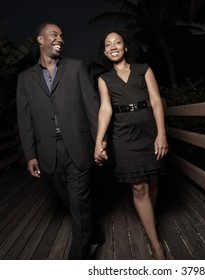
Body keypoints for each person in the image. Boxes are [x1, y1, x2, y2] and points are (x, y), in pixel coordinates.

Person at [16, 22, 105, 259]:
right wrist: (30, 155)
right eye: (54, 35)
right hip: (48, 151)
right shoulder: (25, 79)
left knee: (78, 199)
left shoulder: (76, 68)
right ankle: (95, 231)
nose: (60, 39)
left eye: (62, 36)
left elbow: (92, 107)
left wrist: (99, 142)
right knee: (70, 200)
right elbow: (24, 120)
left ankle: (78, 257)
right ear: (40, 40)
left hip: (78, 145)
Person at [94, 30, 168, 260]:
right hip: (123, 135)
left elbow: (156, 101)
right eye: (108, 44)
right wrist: (99, 141)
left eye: (118, 42)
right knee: (139, 187)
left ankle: (150, 218)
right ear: (106, 52)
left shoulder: (143, 69)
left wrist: (162, 133)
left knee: (153, 180)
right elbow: (106, 109)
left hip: (148, 130)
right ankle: (156, 245)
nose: (113, 46)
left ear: (125, 47)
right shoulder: (104, 79)